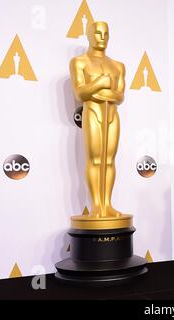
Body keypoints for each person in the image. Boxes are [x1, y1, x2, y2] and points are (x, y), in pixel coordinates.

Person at [70, 21, 125, 219]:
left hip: (111, 115)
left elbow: (120, 96)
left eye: (106, 34)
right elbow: (80, 92)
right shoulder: (80, 62)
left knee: (109, 160)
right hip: (92, 113)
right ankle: (96, 206)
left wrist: (100, 93)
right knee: (94, 159)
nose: (102, 38)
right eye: (98, 34)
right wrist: (101, 83)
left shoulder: (118, 66)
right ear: (89, 35)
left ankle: (107, 204)